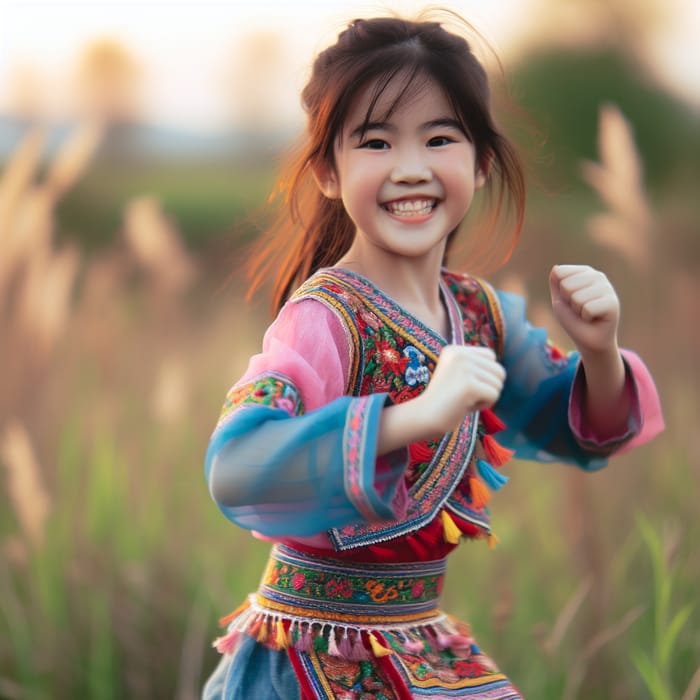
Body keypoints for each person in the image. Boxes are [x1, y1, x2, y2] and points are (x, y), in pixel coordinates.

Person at [202, 11, 664, 699]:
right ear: (329, 170)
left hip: (422, 643)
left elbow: (573, 428)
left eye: (439, 138)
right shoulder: (324, 318)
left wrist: (600, 351)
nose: (410, 169)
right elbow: (237, 470)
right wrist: (413, 418)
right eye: (377, 142)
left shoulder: (478, 316)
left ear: (480, 164)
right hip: (306, 656)